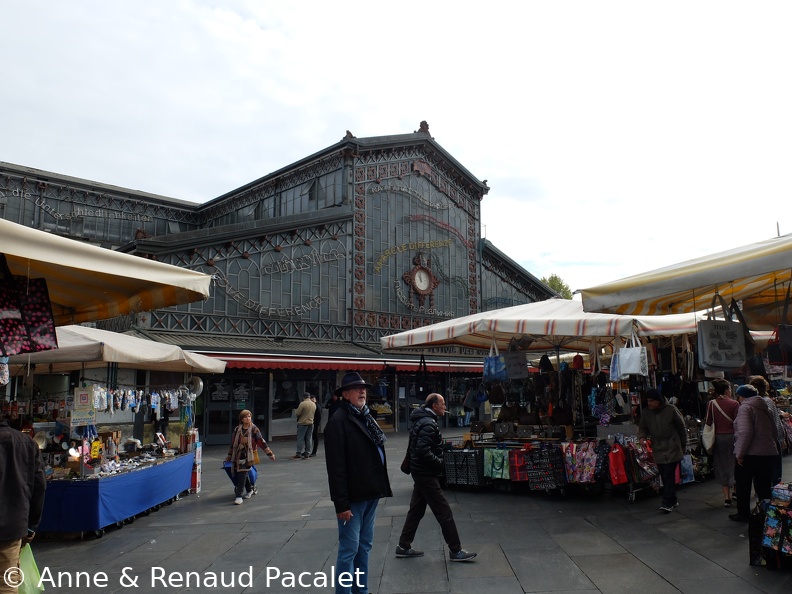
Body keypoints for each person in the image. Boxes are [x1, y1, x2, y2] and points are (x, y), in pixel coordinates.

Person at [324, 372, 392, 594]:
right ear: (345, 394)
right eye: (356, 388)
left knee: (364, 546)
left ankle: (361, 590)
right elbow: (336, 468)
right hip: (352, 497)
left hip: (371, 491)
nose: (363, 391)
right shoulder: (338, 422)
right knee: (349, 549)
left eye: (364, 388)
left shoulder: (366, 416)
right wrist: (341, 504)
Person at [396, 393, 477, 562]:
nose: (445, 407)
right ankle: (455, 550)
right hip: (425, 473)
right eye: (443, 404)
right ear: (434, 406)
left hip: (420, 472)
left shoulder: (423, 420)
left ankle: (403, 546)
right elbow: (422, 450)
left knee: (416, 510)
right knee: (444, 511)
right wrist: (440, 463)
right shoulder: (428, 423)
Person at [0, 412, 46, 593]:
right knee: (6, 584)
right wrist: (31, 527)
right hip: (12, 528)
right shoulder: (26, 443)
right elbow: (39, 487)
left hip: (13, 527)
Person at [729, 384, 779, 522]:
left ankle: (743, 513)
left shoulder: (745, 408)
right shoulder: (765, 408)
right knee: (764, 487)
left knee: (743, 486)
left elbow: (745, 433)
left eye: (738, 396)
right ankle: (766, 515)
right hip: (767, 453)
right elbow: (774, 430)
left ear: (742, 396)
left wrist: (740, 453)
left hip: (750, 454)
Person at [637, 388, 687, 514]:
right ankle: (673, 499)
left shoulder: (671, 410)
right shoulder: (646, 412)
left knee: (668, 474)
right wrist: (642, 437)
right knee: (664, 474)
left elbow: (681, 428)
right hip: (658, 447)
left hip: (672, 446)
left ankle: (667, 502)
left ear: (659, 401)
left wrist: (683, 444)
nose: (650, 403)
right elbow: (642, 426)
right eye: (648, 401)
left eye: (652, 401)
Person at [225, 409, 275, 505]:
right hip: (238, 454)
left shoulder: (254, 429)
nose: (248, 418)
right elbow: (233, 443)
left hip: (249, 455)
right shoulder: (237, 429)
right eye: (246, 417)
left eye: (249, 416)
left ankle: (239, 496)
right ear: (242, 419)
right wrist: (229, 455)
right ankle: (249, 489)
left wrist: (270, 454)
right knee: (241, 473)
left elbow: (261, 442)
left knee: (242, 473)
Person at [704, 379, 739, 507]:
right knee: (734, 463)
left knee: (721, 464)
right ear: (726, 390)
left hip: (718, 438)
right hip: (732, 437)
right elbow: (738, 423)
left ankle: (726, 498)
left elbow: (708, 421)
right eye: (729, 389)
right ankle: (736, 490)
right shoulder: (735, 404)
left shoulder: (711, 404)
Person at [749, 375, 785, 485]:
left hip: (756, 442)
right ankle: (775, 493)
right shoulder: (767, 401)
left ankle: (762, 496)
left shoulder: (749, 403)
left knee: (760, 471)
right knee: (775, 469)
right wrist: (781, 438)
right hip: (771, 440)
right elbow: (775, 422)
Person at [292, 393, 316, 460]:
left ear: (303, 397)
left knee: (300, 438)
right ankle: (307, 453)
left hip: (303, 423)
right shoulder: (313, 404)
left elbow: (298, 413)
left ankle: (298, 453)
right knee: (309, 439)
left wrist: (295, 411)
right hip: (311, 423)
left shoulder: (302, 404)